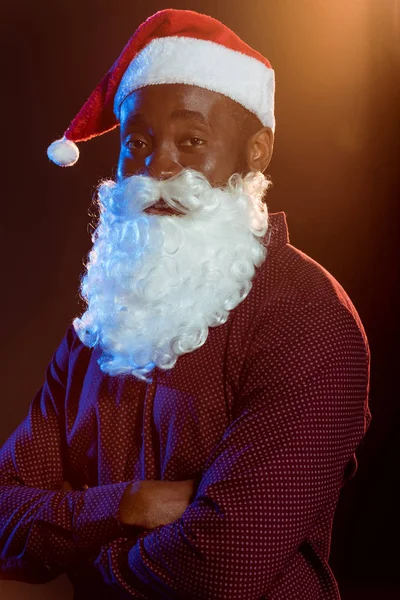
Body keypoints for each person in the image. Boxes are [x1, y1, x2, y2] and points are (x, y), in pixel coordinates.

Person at [0, 8, 371, 600]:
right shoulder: (103, 316)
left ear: (256, 153)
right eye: (137, 143)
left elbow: (224, 564)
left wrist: (87, 557)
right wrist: (127, 504)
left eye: (192, 140)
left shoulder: (308, 316)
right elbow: (2, 512)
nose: (159, 166)